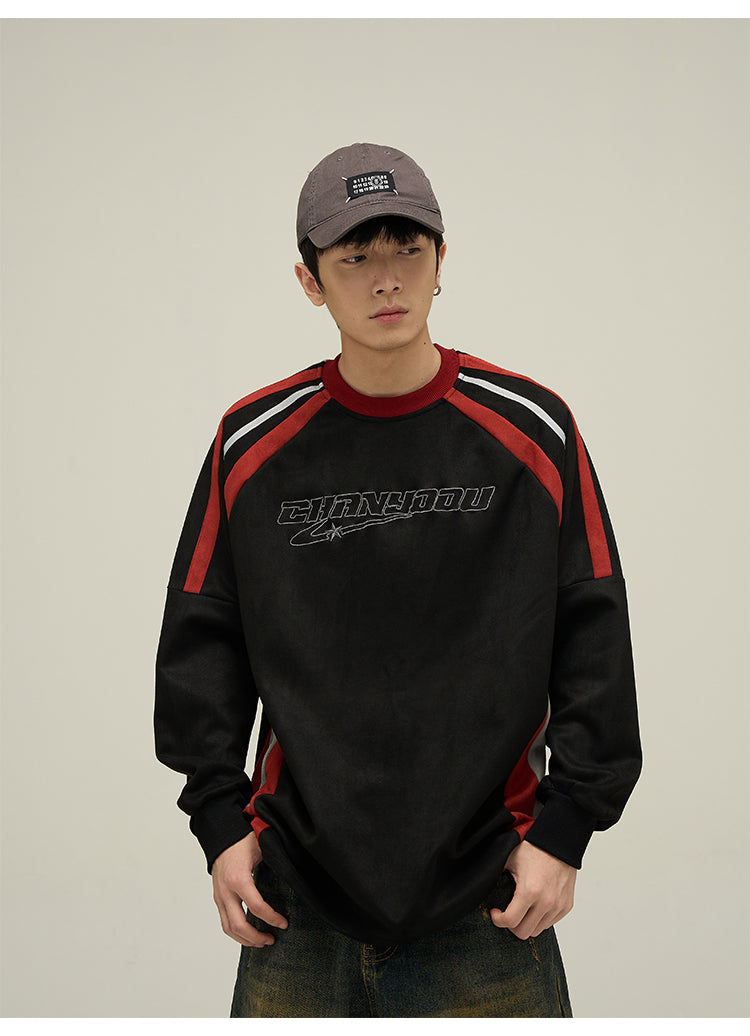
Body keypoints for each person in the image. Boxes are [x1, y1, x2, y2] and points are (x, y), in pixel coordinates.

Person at [154, 142, 641, 1018]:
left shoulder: (533, 432)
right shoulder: (251, 444)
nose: (386, 280)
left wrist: (565, 832)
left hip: (489, 898)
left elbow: (594, 634)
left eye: (408, 250)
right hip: (294, 899)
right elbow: (202, 639)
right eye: (354, 257)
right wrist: (220, 826)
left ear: (442, 260)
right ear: (310, 281)